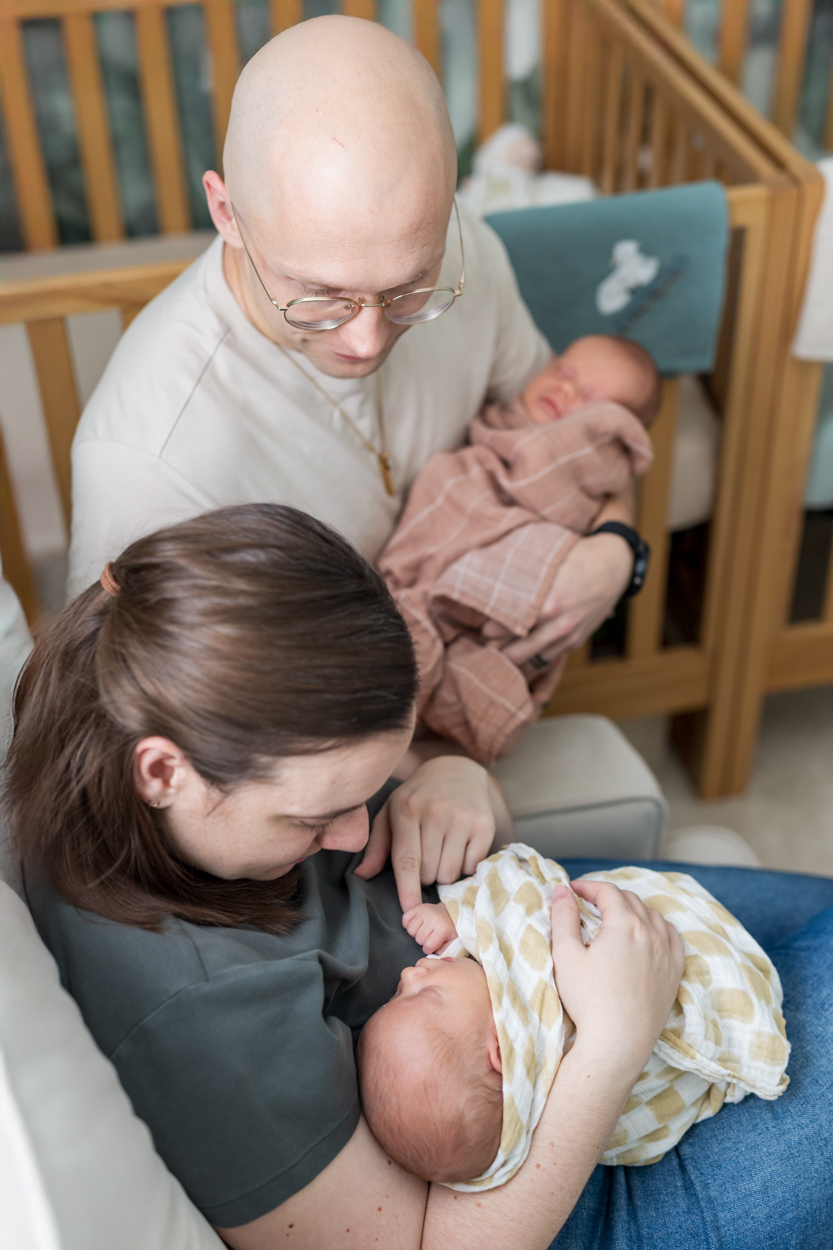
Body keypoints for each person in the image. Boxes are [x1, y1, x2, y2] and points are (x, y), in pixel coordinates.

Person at [6, 504, 833, 1249]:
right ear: (162, 774)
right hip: (562, 1177)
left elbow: (424, 802)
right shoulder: (193, 1017)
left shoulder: (195, 708)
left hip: (511, 937)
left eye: (366, 794)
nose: (356, 832)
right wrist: (613, 1042)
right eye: (312, 820)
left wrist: (458, 781)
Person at [67, 15, 641, 724]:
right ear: (226, 212)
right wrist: (420, 772)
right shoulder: (148, 458)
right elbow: (142, 743)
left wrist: (616, 552)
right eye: (321, 295)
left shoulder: (468, 252)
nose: (368, 340)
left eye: (409, 288)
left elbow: (581, 434)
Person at [357, 844, 788, 1187]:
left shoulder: (474, 1002)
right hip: (679, 961)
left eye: (396, 992)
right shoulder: (535, 1000)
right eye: (425, 994)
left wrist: (456, 922)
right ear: (500, 1053)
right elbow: (519, 903)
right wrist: (464, 912)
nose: (410, 972)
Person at [378, 336, 660, 763]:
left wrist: (616, 546)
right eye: (564, 373)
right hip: (419, 570)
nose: (565, 389)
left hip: (493, 601)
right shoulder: (500, 423)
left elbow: (571, 473)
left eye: (589, 399)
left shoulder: (572, 453)